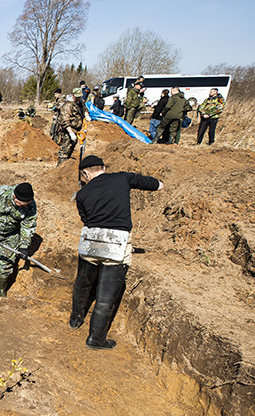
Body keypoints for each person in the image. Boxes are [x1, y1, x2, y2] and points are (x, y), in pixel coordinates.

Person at [69, 155, 163, 349]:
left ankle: (75, 320)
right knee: (106, 296)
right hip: (117, 242)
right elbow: (150, 183)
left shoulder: (82, 194)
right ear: (103, 167)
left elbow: (85, 218)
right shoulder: (122, 178)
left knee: (83, 282)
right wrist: (160, 184)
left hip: (90, 241)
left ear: (85, 173)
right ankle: (96, 339)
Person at [57, 88, 85, 166]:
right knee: (64, 151)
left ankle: (66, 167)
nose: (79, 98)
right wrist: (70, 132)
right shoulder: (67, 105)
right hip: (68, 131)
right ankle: (61, 168)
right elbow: (65, 120)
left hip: (76, 130)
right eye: (77, 97)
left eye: (80, 97)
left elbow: (83, 111)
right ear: (73, 95)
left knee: (70, 149)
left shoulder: (80, 103)